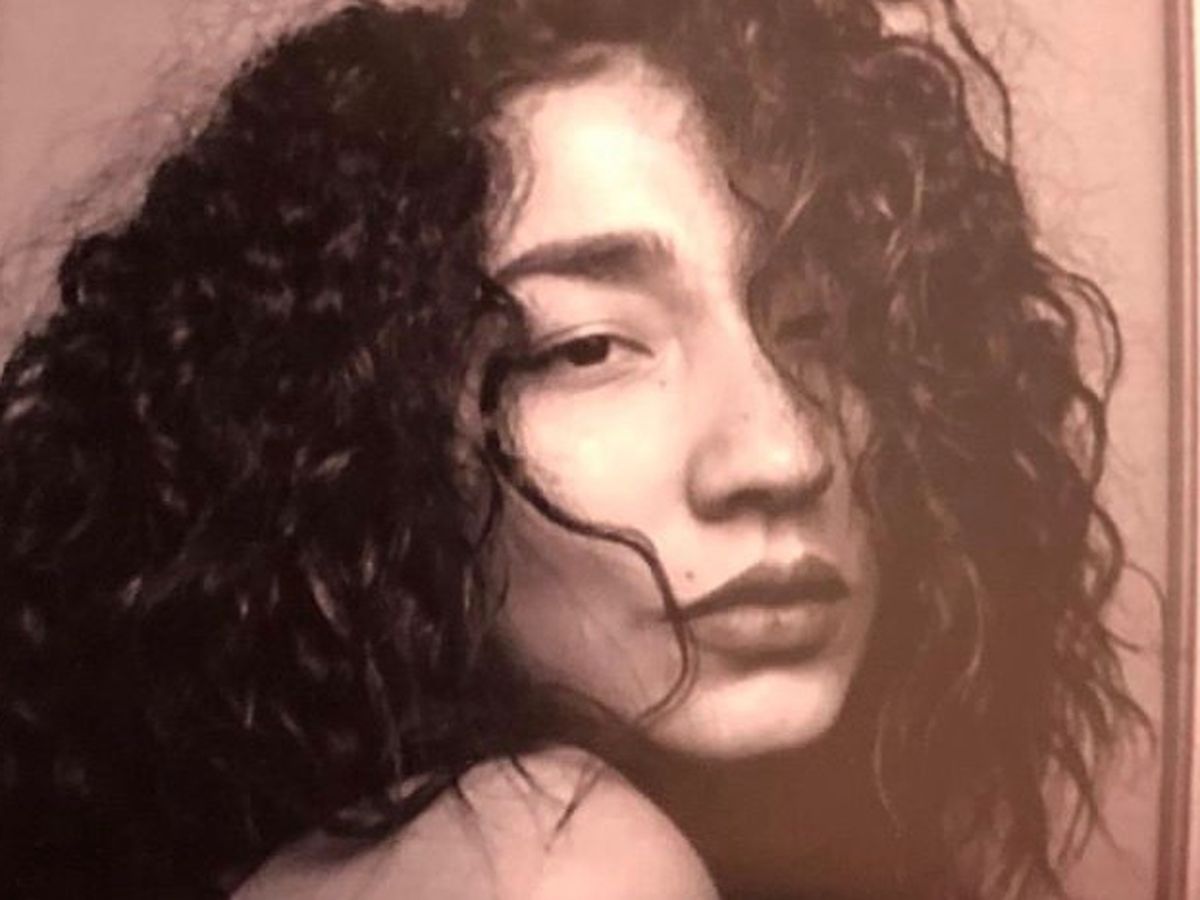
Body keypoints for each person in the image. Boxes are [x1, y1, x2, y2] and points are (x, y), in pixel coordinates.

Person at [0, 0, 1149, 897]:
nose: (784, 454)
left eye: (824, 326)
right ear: (349, 440)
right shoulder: (548, 859)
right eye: (586, 347)